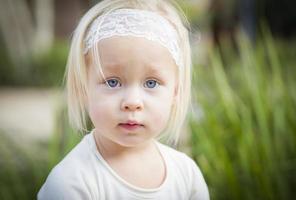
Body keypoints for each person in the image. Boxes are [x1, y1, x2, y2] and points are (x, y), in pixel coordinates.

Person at [38, 0, 209, 199]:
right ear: (84, 87)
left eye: (151, 83)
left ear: (175, 92)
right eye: (112, 82)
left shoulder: (186, 175)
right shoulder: (71, 182)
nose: (132, 102)